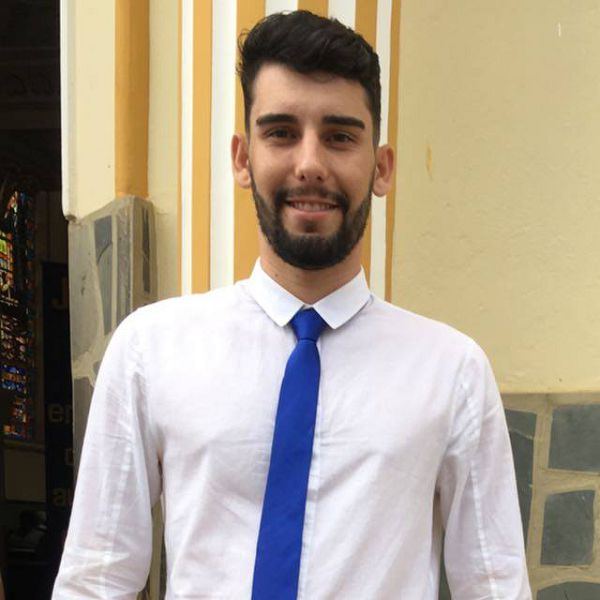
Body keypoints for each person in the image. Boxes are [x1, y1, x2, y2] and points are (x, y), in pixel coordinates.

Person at [53, 10, 530, 599]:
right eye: (280, 132)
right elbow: (95, 579)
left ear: (381, 168)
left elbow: (495, 585)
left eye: (340, 136)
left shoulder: (452, 372)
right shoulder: (150, 351)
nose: (310, 164)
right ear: (242, 158)